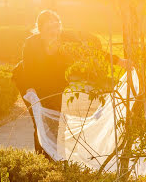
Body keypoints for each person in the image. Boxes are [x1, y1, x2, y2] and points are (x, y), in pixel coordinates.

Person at [12, 10, 130, 157]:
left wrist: (118, 61)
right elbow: (28, 69)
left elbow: (90, 52)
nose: (54, 31)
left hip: (54, 84)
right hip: (29, 83)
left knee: (58, 120)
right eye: (49, 27)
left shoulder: (67, 40)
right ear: (41, 29)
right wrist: (31, 92)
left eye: (56, 26)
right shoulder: (32, 43)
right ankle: (42, 159)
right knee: (40, 121)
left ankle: (56, 157)